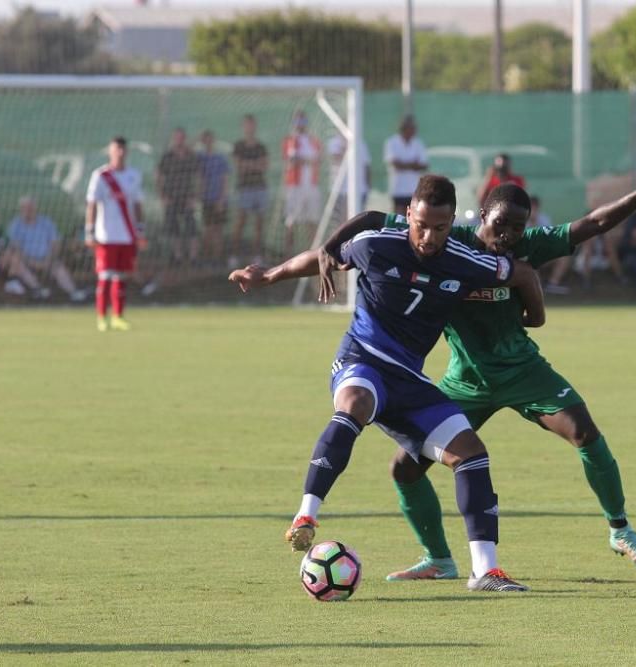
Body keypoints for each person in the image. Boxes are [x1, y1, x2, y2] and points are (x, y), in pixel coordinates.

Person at [317, 147, 636, 581]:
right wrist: (325, 249)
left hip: (524, 372)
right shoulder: (448, 240)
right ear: (481, 213)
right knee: (404, 467)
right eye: (500, 223)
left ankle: (620, 530)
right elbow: (376, 220)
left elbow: (593, 224)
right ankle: (439, 559)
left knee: (584, 431)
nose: (507, 234)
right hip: (466, 379)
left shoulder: (529, 246)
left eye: (517, 227)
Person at [229, 175, 545, 592]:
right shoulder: (376, 243)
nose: (428, 236)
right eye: (421, 224)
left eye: (440, 227)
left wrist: (534, 317)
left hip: (410, 380)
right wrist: (269, 276)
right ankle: (306, 514)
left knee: (470, 452)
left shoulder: (468, 260)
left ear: (453, 223)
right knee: (356, 402)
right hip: (362, 359)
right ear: (409, 214)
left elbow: (521, 274)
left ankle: (484, 571)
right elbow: (321, 258)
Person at [85, 136, 147, 332]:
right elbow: (92, 204)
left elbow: (137, 204)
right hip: (106, 235)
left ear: (126, 152)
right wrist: (90, 231)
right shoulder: (101, 176)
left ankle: (118, 316)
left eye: (122, 149)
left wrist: (140, 230)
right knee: (104, 276)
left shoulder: (133, 175)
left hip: (127, 235)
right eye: (116, 149)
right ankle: (102, 317)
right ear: (110, 151)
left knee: (121, 277)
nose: (119, 153)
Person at [6, 196, 86, 302]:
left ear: (35, 208)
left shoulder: (46, 223)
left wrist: (49, 259)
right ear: (21, 209)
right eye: (25, 208)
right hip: (26, 260)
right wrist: (31, 261)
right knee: (16, 261)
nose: (28, 210)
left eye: (30, 207)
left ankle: (73, 292)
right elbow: (15, 247)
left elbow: (55, 244)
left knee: (58, 267)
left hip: (47, 259)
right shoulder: (16, 225)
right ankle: (38, 289)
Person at [229, 114, 270, 268]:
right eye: (247, 124)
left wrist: (248, 164)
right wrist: (254, 164)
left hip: (260, 188)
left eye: (252, 124)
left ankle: (257, 255)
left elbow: (264, 166)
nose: (250, 127)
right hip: (244, 188)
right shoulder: (238, 146)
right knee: (240, 222)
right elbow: (238, 165)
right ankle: (234, 255)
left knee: (258, 224)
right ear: (243, 127)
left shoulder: (261, 147)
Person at [281, 111, 323, 256]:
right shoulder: (290, 140)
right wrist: (307, 161)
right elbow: (292, 160)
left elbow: (319, 160)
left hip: (311, 186)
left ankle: (314, 254)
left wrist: (305, 160)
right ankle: (288, 254)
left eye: (303, 120)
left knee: (312, 221)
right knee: (291, 222)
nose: (300, 124)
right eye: (298, 121)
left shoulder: (313, 141)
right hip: (295, 186)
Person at [157, 127, 200, 264]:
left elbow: (198, 177)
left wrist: (195, 197)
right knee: (173, 227)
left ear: (184, 139)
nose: (179, 140)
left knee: (191, 226)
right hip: (171, 197)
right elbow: (159, 177)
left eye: (181, 137)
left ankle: (193, 257)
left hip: (187, 197)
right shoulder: (167, 156)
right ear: (173, 139)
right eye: (177, 137)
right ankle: (178, 256)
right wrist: (163, 196)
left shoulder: (190, 155)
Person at [384, 115, 428, 215]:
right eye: (411, 128)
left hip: (414, 189)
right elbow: (395, 164)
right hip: (398, 188)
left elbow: (423, 165)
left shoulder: (418, 143)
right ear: (404, 128)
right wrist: (413, 164)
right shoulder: (391, 142)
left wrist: (404, 164)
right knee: (399, 216)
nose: (414, 130)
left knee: (413, 216)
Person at [198, 129, 229, 263]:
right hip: (207, 199)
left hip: (219, 199)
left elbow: (225, 179)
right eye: (205, 139)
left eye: (210, 139)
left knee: (218, 229)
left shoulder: (220, 158)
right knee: (208, 229)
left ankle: (217, 258)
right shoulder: (200, 157)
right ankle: (207, 257)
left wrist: (222, 198)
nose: (208, 142)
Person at [327, 132, 371, 223]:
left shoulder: (361, 144)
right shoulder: (334, 143)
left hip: (359, 189)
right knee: (341, 221)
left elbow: (366, 165)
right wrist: (346, 147)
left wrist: (368, 185)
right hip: (340, 190)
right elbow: (335, 159)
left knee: (357, 220)